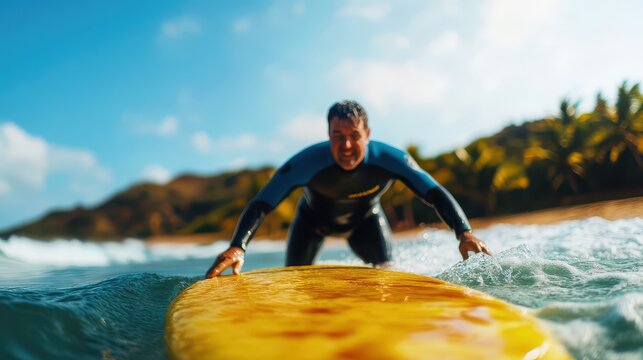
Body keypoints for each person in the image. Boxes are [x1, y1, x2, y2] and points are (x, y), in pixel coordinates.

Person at [205, 101, 492, 278]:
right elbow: (262, 203)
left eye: (354, 136)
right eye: (337, 136)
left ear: (367, 135)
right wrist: (237, 246)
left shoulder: (390, 159)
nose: (346, 146)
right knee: (293, 278)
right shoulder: (307, 162)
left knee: (385, 273)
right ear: (328, 135)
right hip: (311, 224)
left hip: (365, 223)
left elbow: (434, 193)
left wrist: (463, 232)